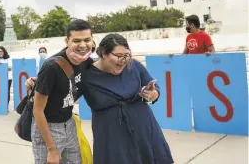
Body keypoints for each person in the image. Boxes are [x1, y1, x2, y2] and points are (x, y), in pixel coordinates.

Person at [26, 33, 174, 164]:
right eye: (118, 56)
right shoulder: (87, 75)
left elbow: (155, 89)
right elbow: (61, 93)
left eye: (127, 55)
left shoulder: (134, 66)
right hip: (111, 136)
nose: (123, 60)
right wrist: (37, 83)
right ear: (103, 53)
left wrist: (153, 95)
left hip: (144, 128)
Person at [30, 19, 94, 164]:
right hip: (48, 128)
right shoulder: (52, 67)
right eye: (77, 40)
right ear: (67, 41)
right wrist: (52, 148)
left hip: (69, 123)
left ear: (92, 40)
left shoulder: (87, 62)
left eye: (87, 40)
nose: (83, 45)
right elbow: (37, 110)